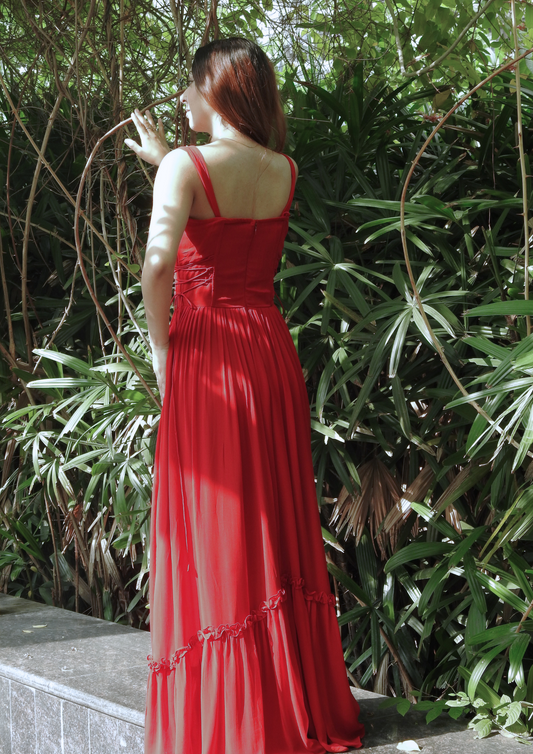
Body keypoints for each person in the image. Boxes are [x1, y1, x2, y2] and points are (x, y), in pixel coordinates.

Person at [126, 36, 365, 754]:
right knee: (268, 514)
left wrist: (162, 351)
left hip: (209, 354)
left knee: (219, 523)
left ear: (218, 90)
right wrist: (167, 162)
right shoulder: (281, 169)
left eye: (191, 84)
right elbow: (225, 220)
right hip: (266, 350)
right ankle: (290, 697)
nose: (182, 97)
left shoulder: (186, 166)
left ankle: (233, 717)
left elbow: (159, 264)